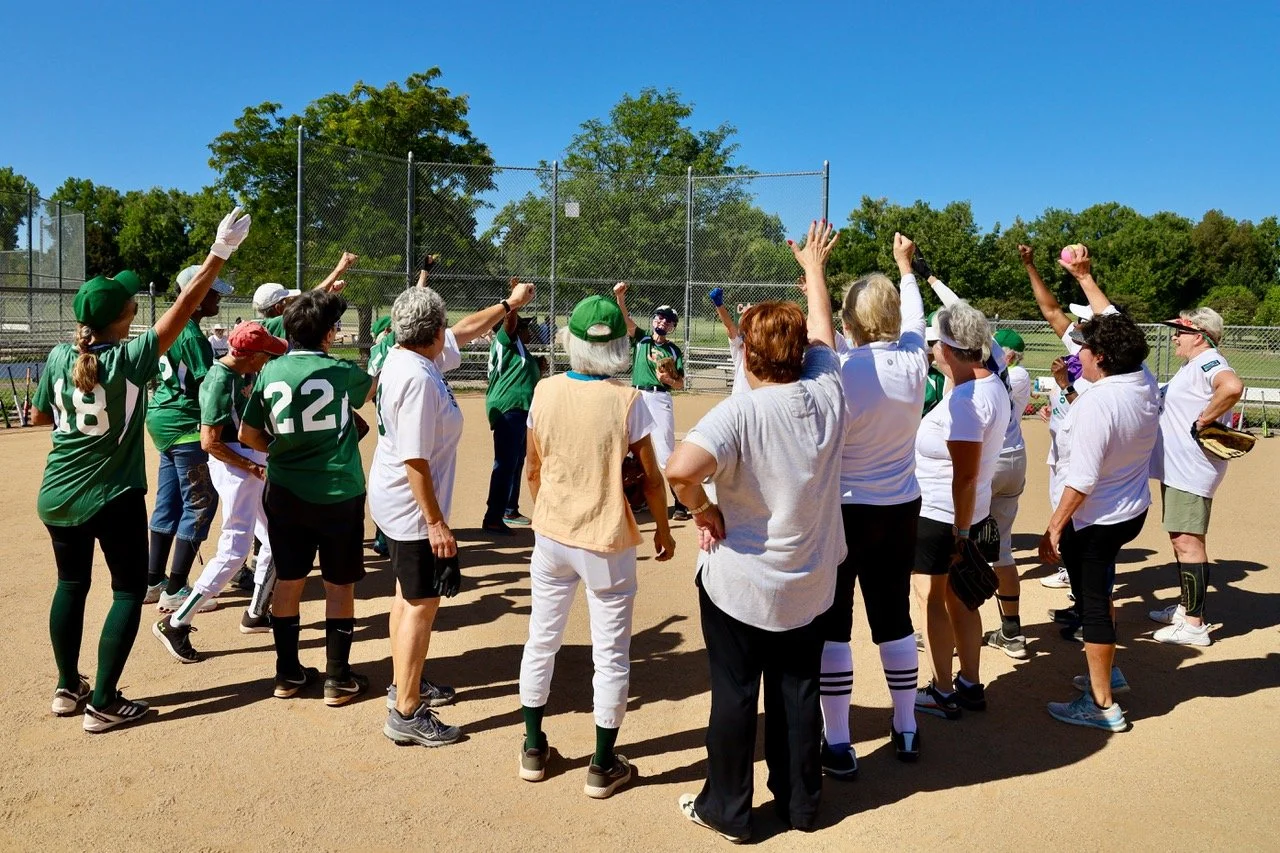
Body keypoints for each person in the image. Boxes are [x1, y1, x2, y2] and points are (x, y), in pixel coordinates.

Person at [32, 206, 251, 732]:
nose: (135, 301)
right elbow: (187, 302)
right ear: (124, 315)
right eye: (130, 300)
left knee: (70, 585)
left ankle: (67, 686)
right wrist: (219, 251)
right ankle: (104, 702)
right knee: (127, 592)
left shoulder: (61, 355)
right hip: (111, 494)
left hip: (56, 492)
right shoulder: (128, 358)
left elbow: (40, 416)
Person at [667, 221, 845, 842]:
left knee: (736, 694)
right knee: (798, 693)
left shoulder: (739, 411)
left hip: (741, 582)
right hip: (810, 580)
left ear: (746, 354)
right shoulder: (828, 391)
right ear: (801, 354)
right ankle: (801, 804)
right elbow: (823, 332)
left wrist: (701, 510)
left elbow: (679, 470)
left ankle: (728, 810)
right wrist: (814, 269)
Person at [518, 294, 675, 798]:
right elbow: (651, 479)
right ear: (620, 347)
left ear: (573, 341)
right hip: (606, 539)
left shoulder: (545, 389)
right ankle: (602, 764)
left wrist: (548, 509)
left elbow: (533, 465)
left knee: (542, 639)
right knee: (610, 653)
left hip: (553, 532)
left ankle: (533, 747)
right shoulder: (628, 400)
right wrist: (664, 530)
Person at [373, 280, 538, 725]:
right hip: (412, 508)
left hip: (396, 500)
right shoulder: (417, 378)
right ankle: (406, 711)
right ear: (433, 333)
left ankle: (404, 681)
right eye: (443, 326)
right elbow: (415, 460)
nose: (450, 331)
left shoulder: (406, 355)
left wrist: (509, 304)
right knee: (421, 604)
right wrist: (436, 523)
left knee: (406, 596)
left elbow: (466, 330)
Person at [814, 232, 928, 777]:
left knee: (834, 622)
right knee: (894, 615)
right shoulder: (915, 361)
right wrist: (905, 265)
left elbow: (820, 337)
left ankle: (838, 741)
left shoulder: (837, 369)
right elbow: (916, 316)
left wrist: (814, 275)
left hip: (844, 509)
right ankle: (906, 725)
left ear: (850, 322)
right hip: (900, 507)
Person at [239, 289, 375, 705]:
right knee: (339, 585)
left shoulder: (271, 371)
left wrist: (282, 452)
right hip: (338, 491)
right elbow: (369, 392)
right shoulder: (339, 370)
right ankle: (338, 678)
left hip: (285, 491)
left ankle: (287, 674)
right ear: (328, 335)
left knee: (290, 580)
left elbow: (247, 434)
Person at [1039, 310, 1159, 730]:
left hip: (1097, 519)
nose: (1078, 354)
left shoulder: (1098, 401)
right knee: (1101, 594)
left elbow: (1083, 479)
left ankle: (1102, 704)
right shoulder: (1142, 381)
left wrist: (1055, 527)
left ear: (1102, 356)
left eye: (1084, 348)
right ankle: (1109, 674)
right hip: (1130, 509)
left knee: (1091, 605)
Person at [151, 322, 288, 663]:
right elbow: (209, 442)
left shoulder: (242, 372)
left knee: (276, 537)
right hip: (235, 469)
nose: (268, 360)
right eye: (266, 355)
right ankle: (176, 622)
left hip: (249, 464)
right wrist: (251, 466)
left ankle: (256, 613)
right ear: (250, 356)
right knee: (234, 550)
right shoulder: (218, 380)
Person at [912, 300, 1011, 720]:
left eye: (935, 344)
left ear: (949, 349)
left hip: (944, 516)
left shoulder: (966, 400)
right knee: (963, 600)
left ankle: (942, 689)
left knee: (931, 599)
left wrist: (962, 532)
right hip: (966, 512)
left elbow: (965, 476)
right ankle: (969, 683)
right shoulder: (990, 384)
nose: (932, 350)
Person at [1020, 244, 1117, 606]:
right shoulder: (1080, 351)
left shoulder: (1106, 368)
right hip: (1062, 451)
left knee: (1087, 528)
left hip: (1083, 458)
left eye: (1082, 322)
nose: (1074, 325)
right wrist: (1030, 266)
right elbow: (1050, 310)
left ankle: (1090, 602)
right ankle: (1076, 583)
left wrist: (1065, 387)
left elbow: (1091, 412)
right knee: (1072, 528)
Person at [1148, 307, 1244, 646]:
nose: (1175, 337)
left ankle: (1194, 624)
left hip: (1191, 469)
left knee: (1188, 543)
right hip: (1180, 468)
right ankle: (1185, 609)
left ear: (1200, 336)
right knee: (1181, 541)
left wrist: (1204, 420)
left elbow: (1232, 386)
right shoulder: (1195, 364)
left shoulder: (1208, 361)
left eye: (1181, 331)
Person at [143, 264, 233, 611]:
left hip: (164, 418)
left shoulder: (172, 324)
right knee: (199, 502)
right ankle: (176, 588)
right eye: (213, 292)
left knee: (169, 501)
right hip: (185, 425)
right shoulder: (192, 334)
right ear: (194, 295)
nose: (218, 298)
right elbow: (209, 386)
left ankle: (153, 580)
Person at [612, 283, 690, 519]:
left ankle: (681, 503)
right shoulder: (642, 339)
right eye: (660, 317)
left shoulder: (674, 351)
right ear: (654, 319)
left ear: (673, 327)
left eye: (669, 321)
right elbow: (625, 320)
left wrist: (668, 379)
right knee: (629, 449)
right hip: (636, 396)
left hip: (659, 398)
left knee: (665, 452)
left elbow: (681, 383)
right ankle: (638, 499)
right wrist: (619, 297)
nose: (663, 322)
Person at [984, 327, 1033, 659]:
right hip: (1014, 454)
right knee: (1001, 549)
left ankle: (951, 630)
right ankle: (1011, 631)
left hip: (990, 461)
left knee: (957, 547)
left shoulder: (995, 378)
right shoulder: (1004, 375)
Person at [482, 312, 541, 534]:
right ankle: (493, 517)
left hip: (520, 409)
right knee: (506, 464)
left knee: (515, 463)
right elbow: (508, 322)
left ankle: (509, 509)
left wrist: (538, 367)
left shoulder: (518, 349)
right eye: (524, 326)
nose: (529, 331)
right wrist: (514, 304)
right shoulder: (505, 340)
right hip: (510, 409)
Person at [253, 250, 357, 339]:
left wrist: (329, 292)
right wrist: (339, 270)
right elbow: (309, 301)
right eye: (289, 301)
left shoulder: (262, 328)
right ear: (278, 308)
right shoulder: (277, 323)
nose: (294, 303)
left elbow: (310, 304)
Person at [709, 286, 748, 395]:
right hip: (740, 396)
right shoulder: (740, 344)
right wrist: (719, 304)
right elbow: (730, 326)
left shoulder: (765, 346)